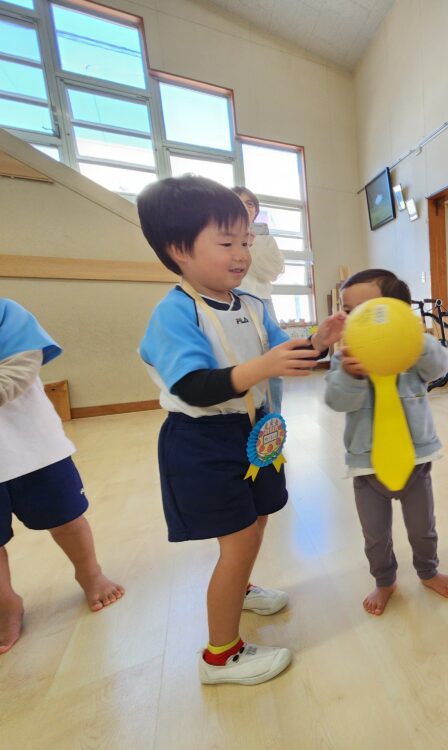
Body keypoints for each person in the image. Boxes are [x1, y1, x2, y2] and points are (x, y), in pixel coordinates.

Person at [137, 176, 342, 685]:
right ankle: (219, 655)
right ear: (179, 250)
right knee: (239, 540)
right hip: (204, 442)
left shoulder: (252, 305)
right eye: (227, 243)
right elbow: (194, 386)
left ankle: (241, 588)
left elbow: (282, 353)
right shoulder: (176, 312)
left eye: (246, 241)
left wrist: (317, 342)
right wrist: (266, 366)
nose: (242, 254)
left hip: (257, 435)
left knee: (256, 523)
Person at [324, 269, 448, 616]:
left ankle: (428, 570)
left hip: (414, 460)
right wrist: (351, 375)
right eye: (348, 311)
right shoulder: (346, 357)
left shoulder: (410, 351)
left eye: (367, 310)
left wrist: (415, 338)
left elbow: (440, 368)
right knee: (375, 536)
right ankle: (384, 580)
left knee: (422, 527)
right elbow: (337, 400)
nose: (356, 320)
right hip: (367, 465)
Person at [0, 299, 124, 654]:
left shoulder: (6, 311)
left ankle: (90, 573)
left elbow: (20, 368)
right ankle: (5, 602)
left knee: (67, 519)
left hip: (34, 448)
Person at [232, 186, 286, 413]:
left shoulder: (265, 238)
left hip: (262, 301)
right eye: (239, 201)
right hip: (231, 301)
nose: (246, 206)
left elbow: (273, 271)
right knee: (239, 361)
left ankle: (273, 424)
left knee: (274, 363)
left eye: (250, 203)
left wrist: (250, 246)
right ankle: (245, 420)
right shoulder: (221, 235)